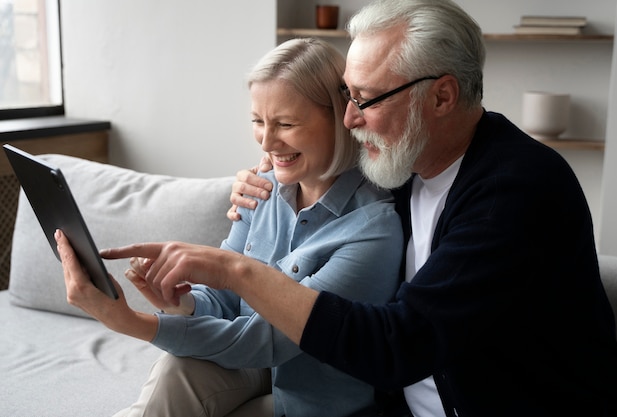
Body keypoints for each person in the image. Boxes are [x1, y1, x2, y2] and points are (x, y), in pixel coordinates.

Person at [91, 0, 617, 415]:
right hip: (397, 403)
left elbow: (399, 345)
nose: (349, 118)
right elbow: (315, 174)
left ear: (441, 97)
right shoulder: (403, 168)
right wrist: (261, 176)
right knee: (182, 377)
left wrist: (235, 271)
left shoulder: (517, 190)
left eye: (366, 99)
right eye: (347, 95)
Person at [56, 37, 405, 417]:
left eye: (285, 123)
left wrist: (132, 323)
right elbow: (226, 303)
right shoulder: (262, 189)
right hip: (256, 373)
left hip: (309, 402)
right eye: (258, 121)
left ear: (341, 116)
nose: (268, 142)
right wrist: (181, 300)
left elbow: (266, 341)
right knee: (178, 370)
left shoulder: (372, 230)